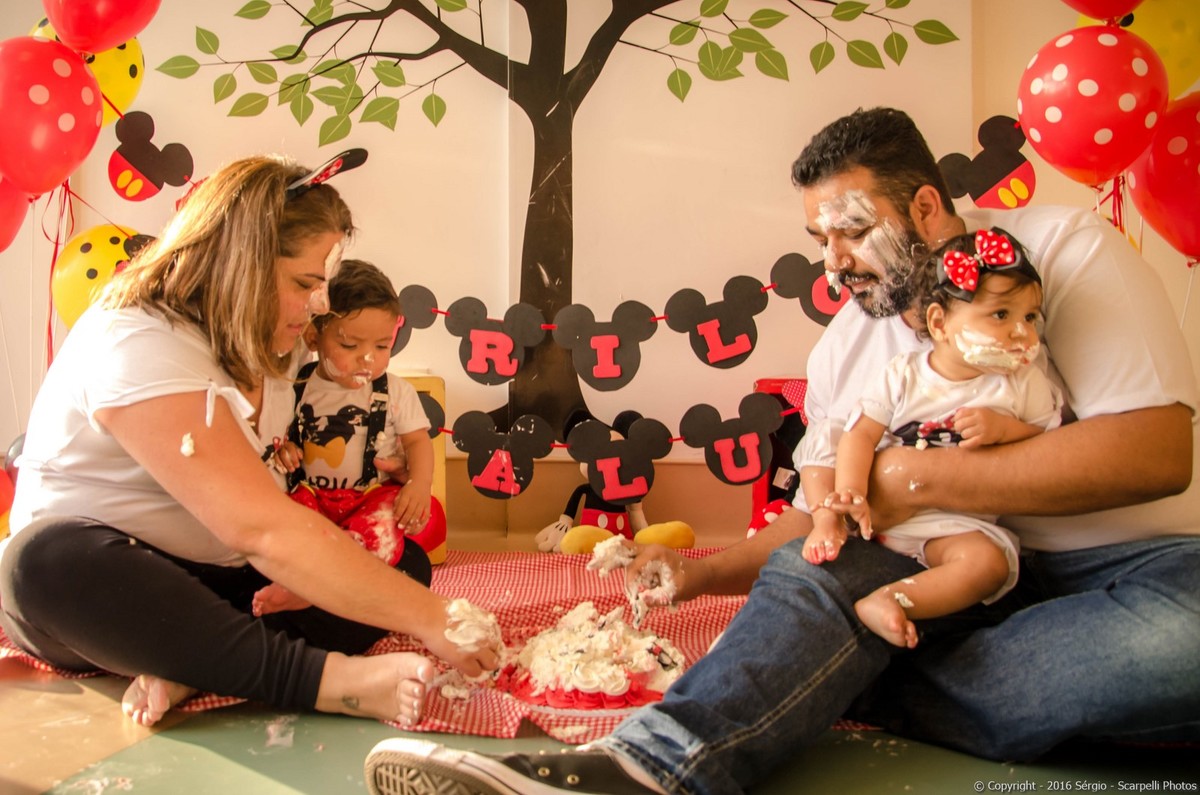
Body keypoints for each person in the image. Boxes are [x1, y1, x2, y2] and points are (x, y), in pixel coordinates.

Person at [360, 106, 1200, 795]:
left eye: (851, 232)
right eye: (819, 239)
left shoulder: (1058, 256)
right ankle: (640, 769)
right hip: (916, 577)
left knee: (1182, 638)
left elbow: (1156, 455)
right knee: (830, 563)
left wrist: (909, 473)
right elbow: (809, 526)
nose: (833, 264)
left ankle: (852, 678)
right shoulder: (847, 347)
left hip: (1122, 572)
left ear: (926, 209)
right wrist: (698, 574)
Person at [0, 154, 499, 731]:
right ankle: (323, 681)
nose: (318, 307)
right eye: (305, 285)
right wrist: (438, 620)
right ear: (242, 264)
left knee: (402, 563)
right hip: (109, 586)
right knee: (39, 561)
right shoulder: (135, 341)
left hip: (223, 579)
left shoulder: (272, 344)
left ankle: (199, 663)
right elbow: (258, 527)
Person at [801, 227, 1063, 648]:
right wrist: (851, 491)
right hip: (876, 506)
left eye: (1030, 317)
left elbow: (1045, 440)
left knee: (989, 563)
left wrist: (1004, 430)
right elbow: (861, 435)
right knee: (830, 436)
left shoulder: (1021, 383)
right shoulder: (904, 374)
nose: (1022, 332)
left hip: (953, 525)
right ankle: (826, 522)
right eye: (1001, 315)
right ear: (940, 323)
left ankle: (895, 600)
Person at [253, 258, 440, 616]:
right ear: (313, 336)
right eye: (350, 345)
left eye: (382, 346)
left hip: (369, 497)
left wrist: (419, 483)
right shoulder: (296, 386)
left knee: (384, 533)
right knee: (289, 531)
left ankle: (334, 578)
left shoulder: (395, 392)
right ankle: (302, 582)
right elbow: (282, 435)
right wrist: (286, 449)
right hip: (310, 497)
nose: (367, 359)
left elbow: (418, 441)